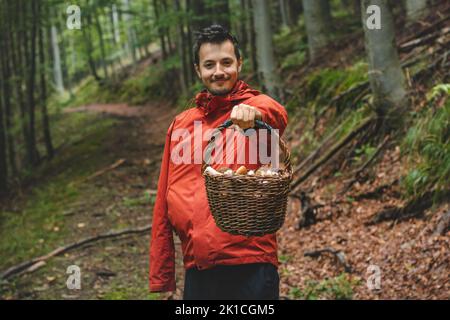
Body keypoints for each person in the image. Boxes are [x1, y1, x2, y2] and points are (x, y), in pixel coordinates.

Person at [149, 24, 288, 300]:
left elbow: (276, 114)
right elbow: (163, 201)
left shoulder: (254, 109)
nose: (219, 71)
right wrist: (162, 272)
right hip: (199, 267)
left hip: (251, 264)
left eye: (226, 62)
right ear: (198, 70)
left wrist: (253, 113)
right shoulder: (181, 125)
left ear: (239, 63)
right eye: (209, 64)